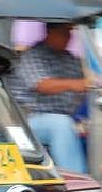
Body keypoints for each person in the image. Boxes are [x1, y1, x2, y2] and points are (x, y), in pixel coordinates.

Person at [6, 22, 90, 173]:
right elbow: (42, 85)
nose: (69, 37)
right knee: (61, 125)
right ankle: (77, 180)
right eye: (64, 32)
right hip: (26, 120)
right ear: (50, 32)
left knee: (95, 126)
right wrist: (75, 84)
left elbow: (88, 86)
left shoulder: (70, 59)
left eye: (70, 32)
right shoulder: (32, 56)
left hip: (66, 116)